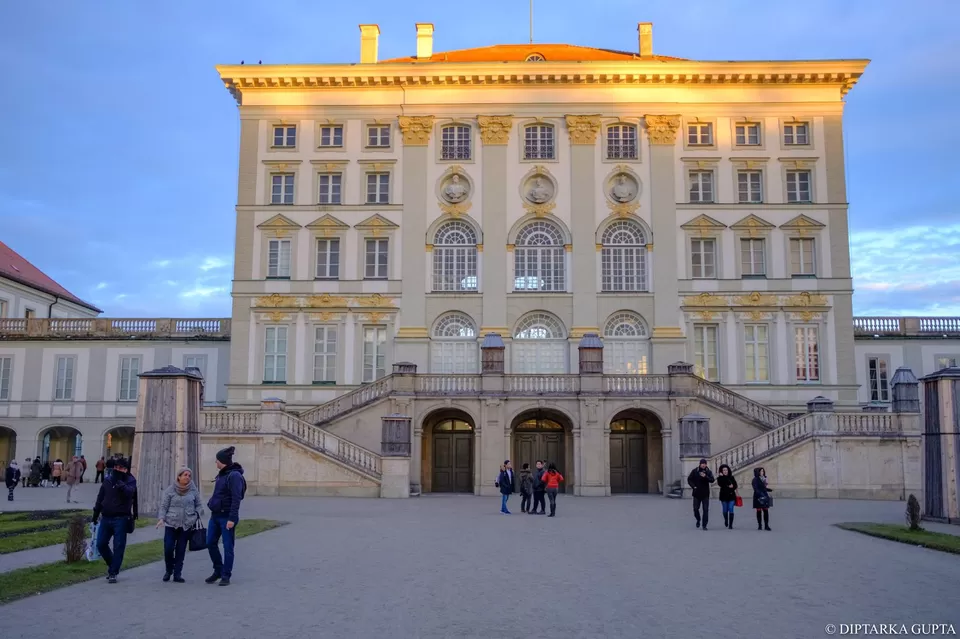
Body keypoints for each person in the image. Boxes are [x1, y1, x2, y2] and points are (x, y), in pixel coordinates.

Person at [92, 457, 139, 583]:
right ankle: (113, 564)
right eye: (116, 467)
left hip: (121, 518)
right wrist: (95, 513)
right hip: (106, 516)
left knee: (118, 546)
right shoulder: (107, 480)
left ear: (126, 470)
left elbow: (130, 493)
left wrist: (120, 484)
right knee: (101, 544)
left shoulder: (130, 480)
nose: (118, 470)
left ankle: (113, 572)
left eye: (121, 468)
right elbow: (100, 497)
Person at [206, 446, 246, 586]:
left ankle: (226, 575)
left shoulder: (234, 476)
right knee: (210, 542)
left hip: (227, 517)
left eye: (217, 460)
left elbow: (236, 498)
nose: (215, 462)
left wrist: (232, 518)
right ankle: (218, 570)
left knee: (228, 547)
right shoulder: (222, 474)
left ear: (222, 461)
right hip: (215, 516)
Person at [156, 467, 203, 583]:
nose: (187, 477)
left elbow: (199, 505)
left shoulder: (193, 490)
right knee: (168, 548)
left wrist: (196, 515)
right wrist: (161, 519)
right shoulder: (170, 490)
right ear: (179, 477)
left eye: (189, 475)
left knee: (180, 550)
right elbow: (164, 506)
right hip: (171, 524)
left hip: (186, 525)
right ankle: (169, 570)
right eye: (185, 475)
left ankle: (177, 574)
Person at [687, 458, 715, 530]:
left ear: (706, 464)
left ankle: (704, 525)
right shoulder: (695, 471)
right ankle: (698, 519)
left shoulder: (708, 471)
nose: (703, 465)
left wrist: (705, 476)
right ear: (700, 464)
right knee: (695, 509)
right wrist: (693, 486)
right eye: (702, 463)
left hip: (705, 494)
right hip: (696, 493)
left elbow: (712, 480)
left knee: (705, 510)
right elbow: (689, 479)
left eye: (705, 464)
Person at [716, 464, 739, 529]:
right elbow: (721, 484)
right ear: (721, 471)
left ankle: (730, 525)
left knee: (731, 508)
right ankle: (726, 519)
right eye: (724, 470)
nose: (725, 471)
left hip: (731, 495)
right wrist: (724, 478)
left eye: (726, 470)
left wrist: (732, 487)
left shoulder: (732, 477)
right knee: (725, 510)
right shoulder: (720, 478)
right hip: (723, 496)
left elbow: (735, 485)